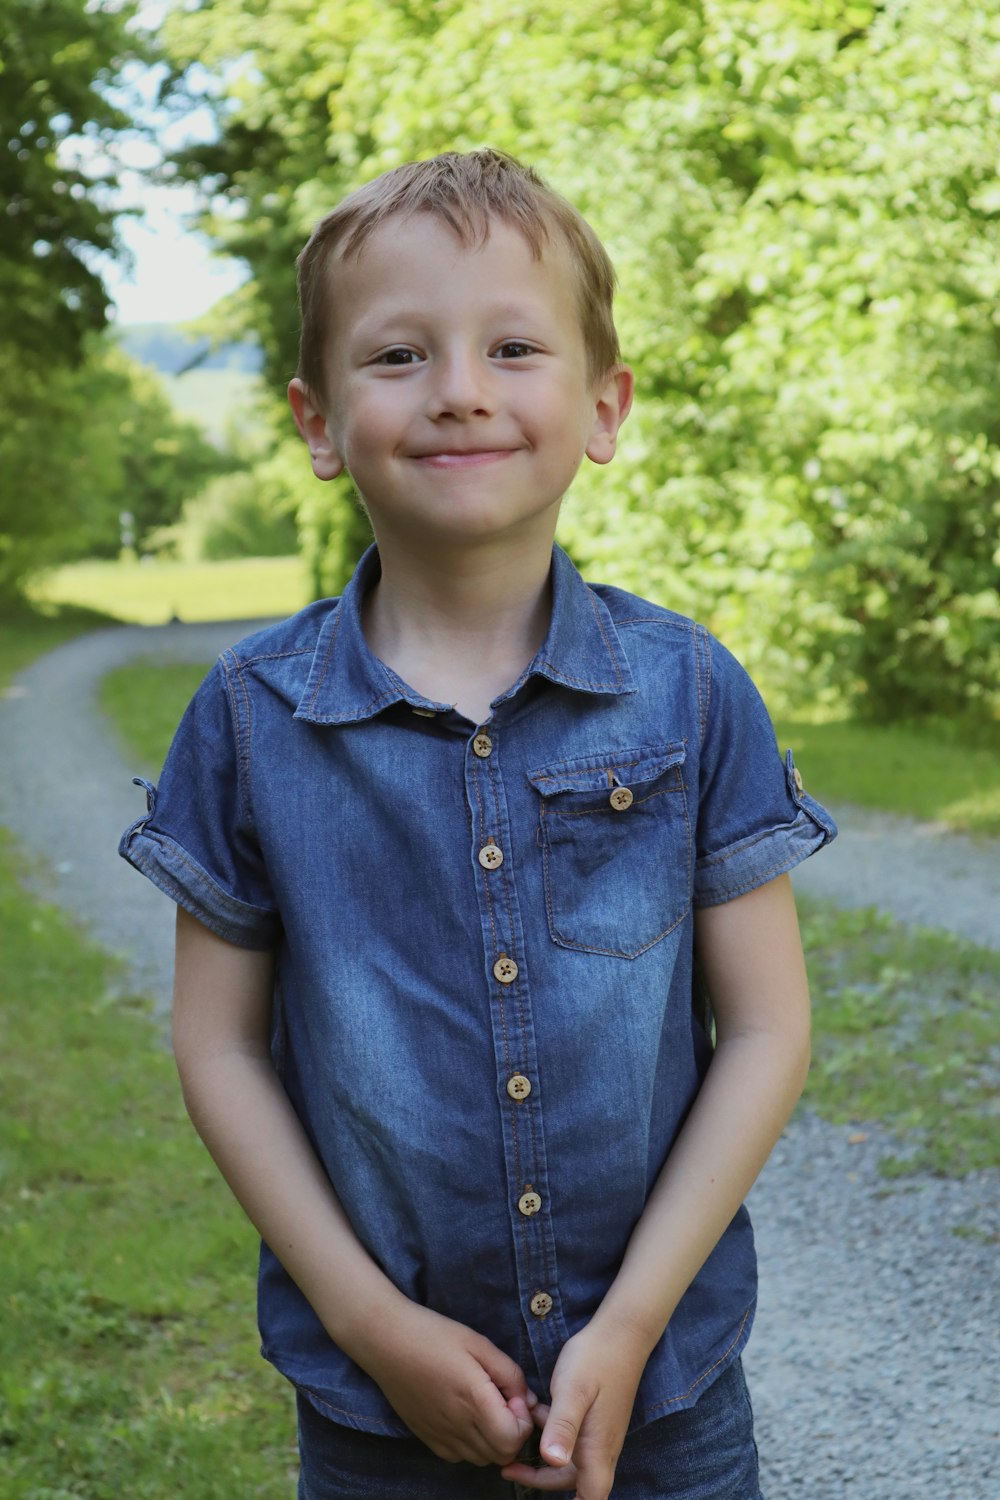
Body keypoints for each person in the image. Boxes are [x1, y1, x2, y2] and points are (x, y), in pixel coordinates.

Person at [120, 148, 836, 1500]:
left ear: (604, 405)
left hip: (662, 1396)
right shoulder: (248, 720)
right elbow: (216, 1044)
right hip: (377, 1417)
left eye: (513, 346)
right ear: (318, 424)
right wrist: (368, 1324)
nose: (458, 390)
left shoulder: (690, 691)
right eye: (397, 356)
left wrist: (626, 1326)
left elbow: (768, 1028)